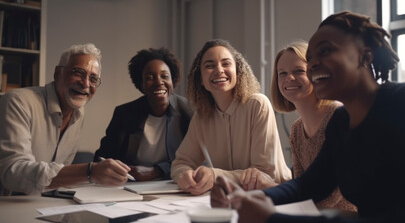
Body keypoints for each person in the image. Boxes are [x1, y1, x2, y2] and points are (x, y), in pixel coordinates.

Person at [211, 11, 405, 223]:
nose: (313, 64)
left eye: (326, 51)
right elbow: (309, 185)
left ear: (364, 57)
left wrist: (272, 218)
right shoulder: (341, 122)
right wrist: (250, 197)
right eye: (310, 58)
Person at [0, 43, 132, 196]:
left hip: (42, 204)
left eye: (93, 78)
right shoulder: (17, 102)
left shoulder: (78, 113)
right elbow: (13, 173)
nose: (85, 84)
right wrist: (90, 171)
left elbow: (58, 176)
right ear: (57, 74)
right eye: (78, 73)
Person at [171, 39, 291, 195]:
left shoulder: (258, 105)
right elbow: (181, 162)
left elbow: (264, 174)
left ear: (238, 71)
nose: (219, 70)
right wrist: (184, 175)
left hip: (276, 196)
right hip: (232, 197)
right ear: (200, 78)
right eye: (209, 66)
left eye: (226, 63)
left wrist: (215, 175)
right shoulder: (201, 117)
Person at [268, 40, 356, 211]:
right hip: (318, 214)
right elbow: (302, 187)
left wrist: (295, 208)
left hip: (351, 215)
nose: (289, 78)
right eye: (282, 73)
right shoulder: (296, 130)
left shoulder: (338, 116)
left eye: (299, 71)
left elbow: (337, 190)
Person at [94, 47, 193, 181]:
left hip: (174, 185)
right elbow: (102, 159)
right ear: (142, 84)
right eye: (150, 77)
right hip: (129, 187)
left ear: (172, 80)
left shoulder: (189, 112)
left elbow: (199, 161)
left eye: (164, 76)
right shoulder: (124, 114)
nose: (159, 82)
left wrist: (157, 171)